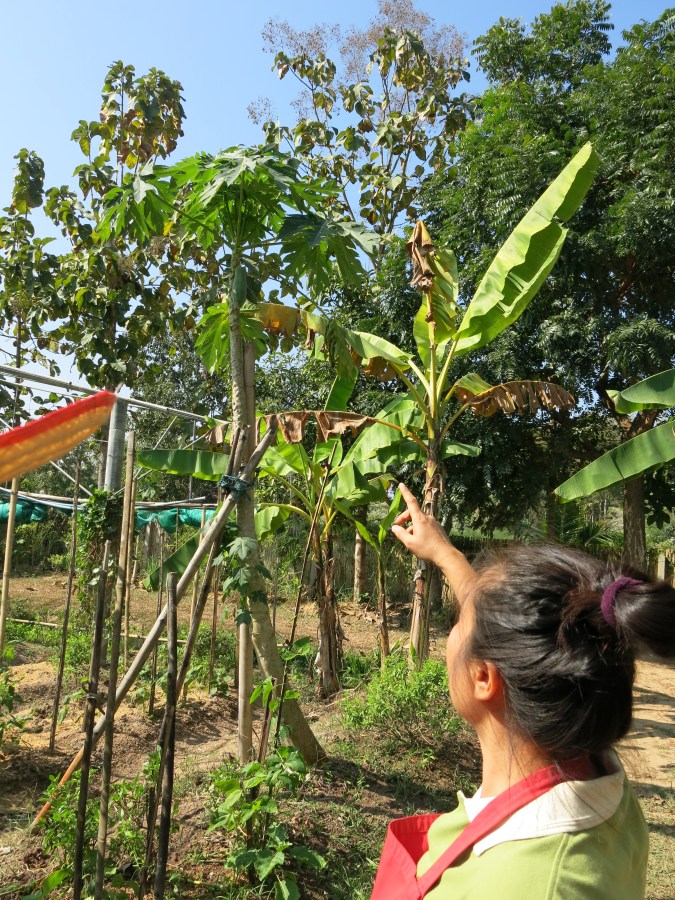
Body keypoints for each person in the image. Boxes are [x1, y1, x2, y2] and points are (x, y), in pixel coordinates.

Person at [372, 483, 675, 900]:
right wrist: (445, 554)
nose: (453, 634)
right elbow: (508, 630)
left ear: (483, 677)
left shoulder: (524, 886)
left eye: (458, 624)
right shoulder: (597, 774)